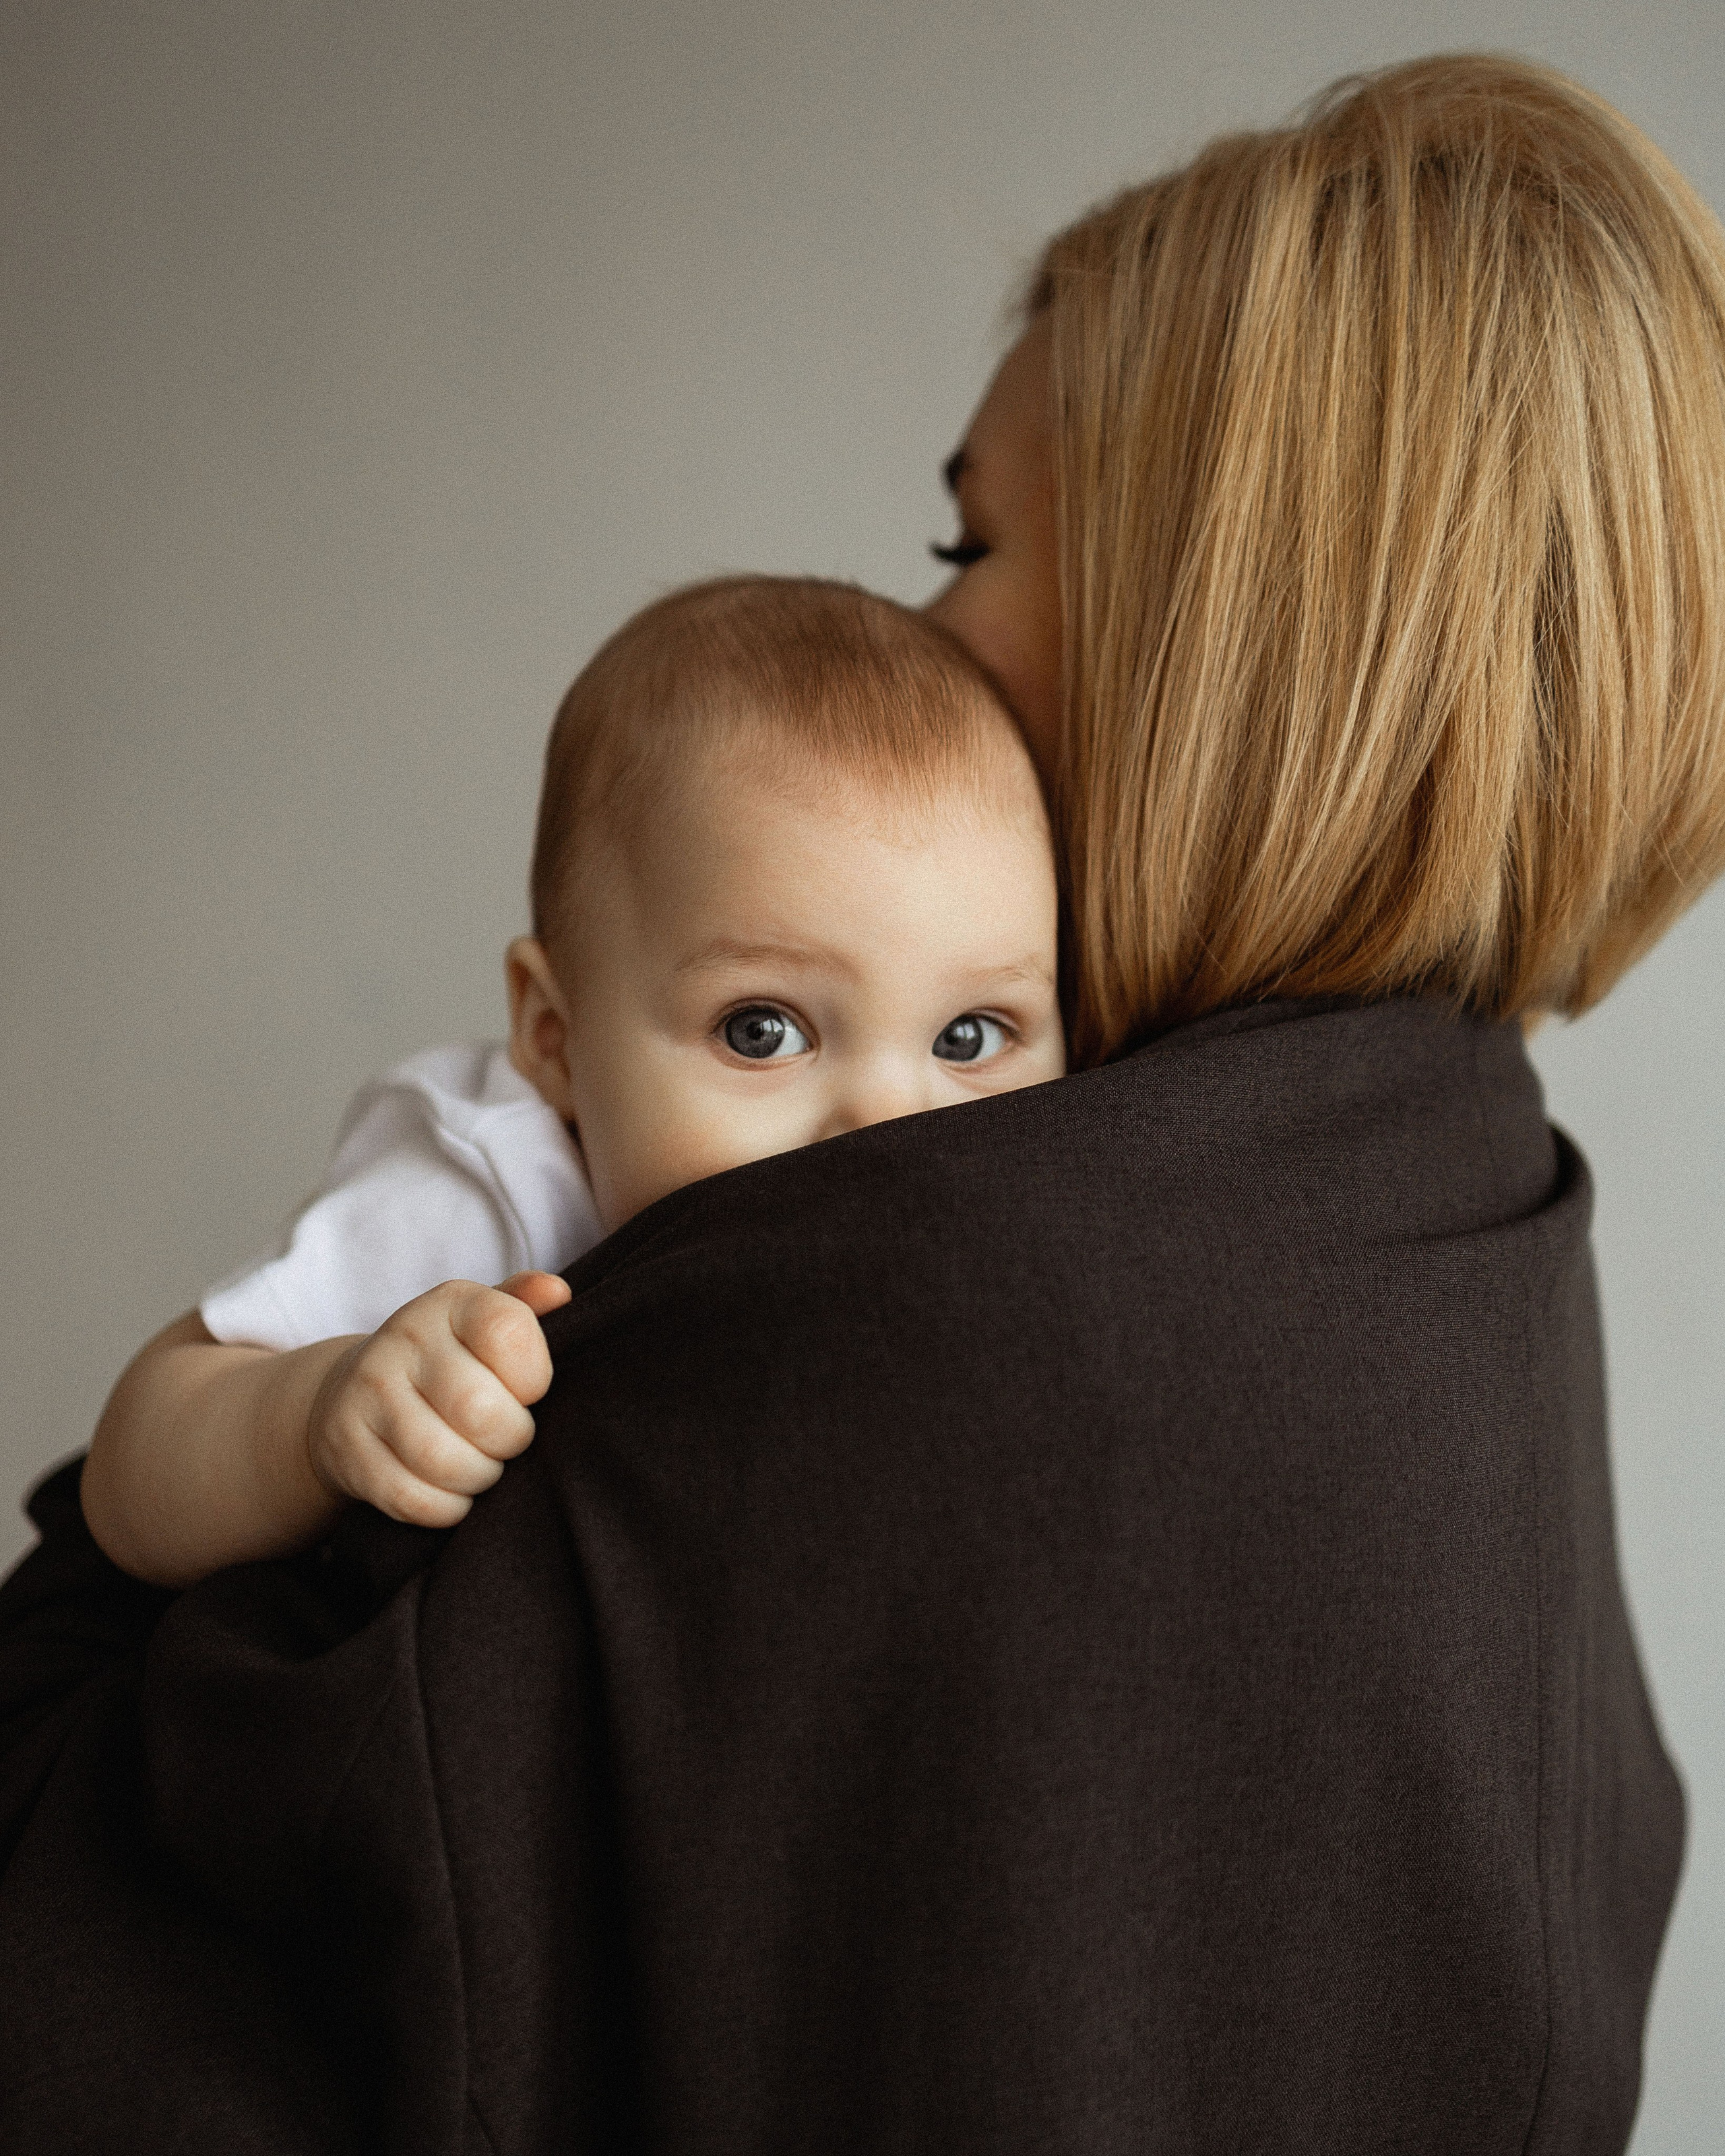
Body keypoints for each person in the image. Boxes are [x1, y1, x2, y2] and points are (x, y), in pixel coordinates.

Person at [4, 51, 1724, 2155]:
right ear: (549, 1027)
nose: (919, 629)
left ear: (1227, 653)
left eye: (971, 541)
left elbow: (131, 1940)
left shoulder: (920, 1282)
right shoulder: (1485, 1248)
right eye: (762, 1033)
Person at [79, 575, 1064, 1586]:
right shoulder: (485, 1190)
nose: (890, 1130)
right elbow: (129, 1467)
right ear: (555, 1036)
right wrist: (321, 1412)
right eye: (762, 1031)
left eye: (969, 1037)